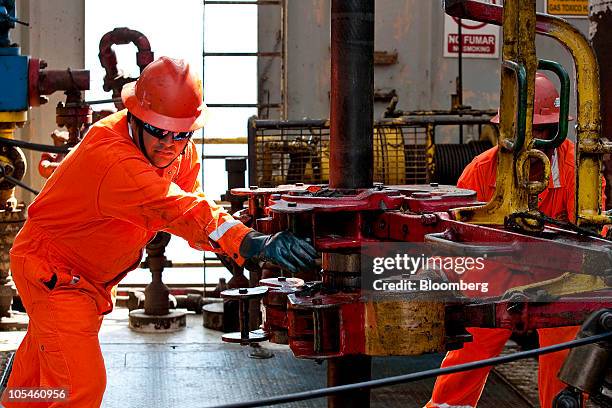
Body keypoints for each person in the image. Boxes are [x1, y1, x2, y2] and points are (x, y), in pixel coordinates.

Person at [1, 57, 317, 407]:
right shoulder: (112, 158)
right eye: (159, 131)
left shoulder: (180, 153)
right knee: (80, 388)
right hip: (55, 276)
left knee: (38, 378)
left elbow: (189, 205)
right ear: (134, 116)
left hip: (87, 277)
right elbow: (176, 208)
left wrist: (237, 236)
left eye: (181, 133)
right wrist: (249, 241)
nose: (170, 143)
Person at [426, 72, 606, 408]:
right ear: (509, 130)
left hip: (561, 276)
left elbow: (594, 233)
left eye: (545, 129)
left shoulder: (577, 169)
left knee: (565, 359)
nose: (537, 138)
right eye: (530, 129)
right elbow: (457, 232)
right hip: (495, 270)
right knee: (468, 353)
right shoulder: (481, 171)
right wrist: (443, 282)